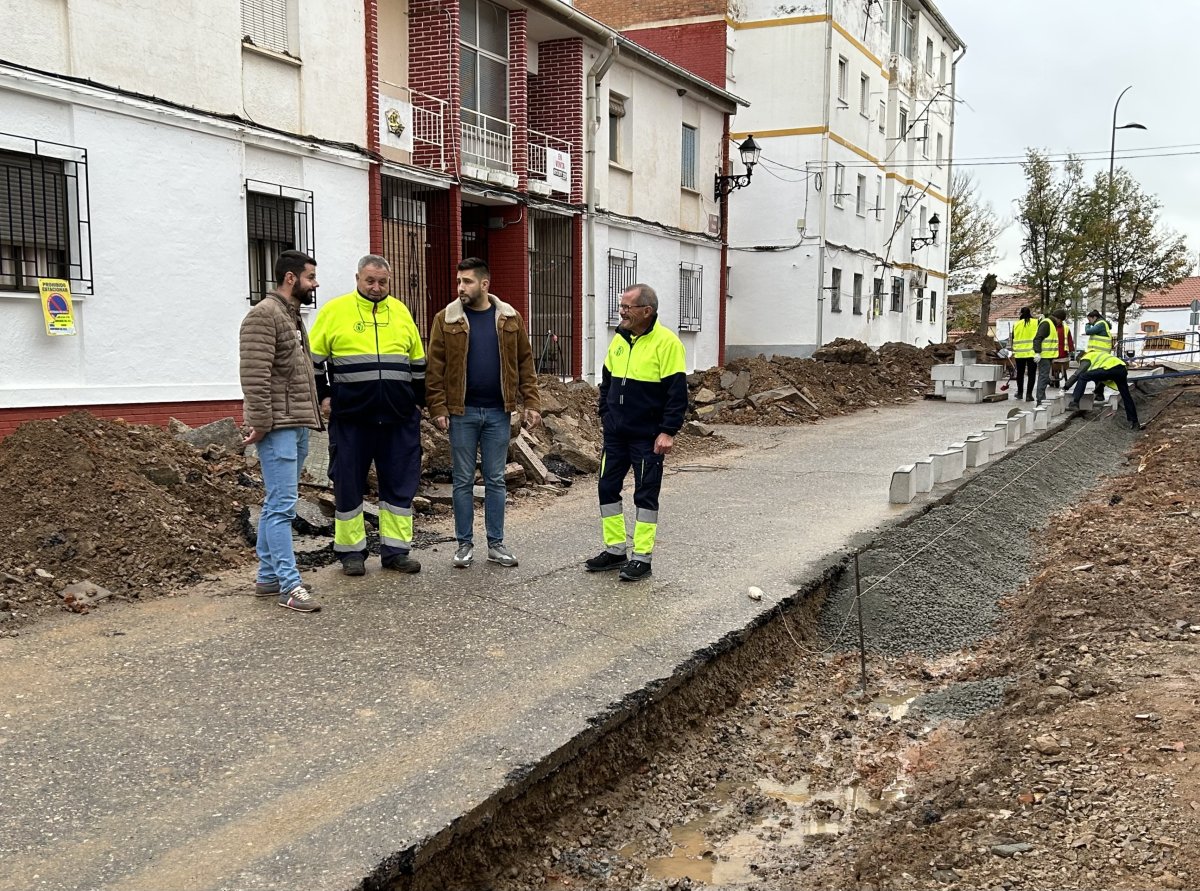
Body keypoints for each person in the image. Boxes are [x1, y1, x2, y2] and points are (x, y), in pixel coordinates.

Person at [310, 255, 426, 577]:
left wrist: (418, 403)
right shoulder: (335, 312)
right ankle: (351, 553)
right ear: (357, 278)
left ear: (390, 281)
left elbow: (418, 365)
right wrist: (324, 396)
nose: (376, 288)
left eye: (383, 282)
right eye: (370, 281)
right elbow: (314, 361)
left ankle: (396, 552)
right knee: (348, 483)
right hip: (351, 418)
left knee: (400, 486)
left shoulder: (401, 313)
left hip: (398, 419)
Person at [426, 257, 542, 569]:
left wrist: (531, 402)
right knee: (462, 480)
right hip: (460, 413)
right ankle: (464, 545)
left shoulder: (509, 318)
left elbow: (525, 365)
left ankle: (496, 544)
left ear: (485, 284)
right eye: (459, 281)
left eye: (467, 282)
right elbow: (434, 369)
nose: (461, 287)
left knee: (496, 480)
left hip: (498, 412)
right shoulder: (446, 319)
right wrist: (437, 407)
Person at [239, 249, 324, 613]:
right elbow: (254, 377)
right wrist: (260, 423)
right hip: (278, 428)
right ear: (291, 278)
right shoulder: (263, 316)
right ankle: (290, 586)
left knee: (277, 504)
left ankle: (268, 577)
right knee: (282, 508)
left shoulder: (290, 316)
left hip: (297, 423)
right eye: (310, 277)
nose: (315, 283)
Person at [585, 283, 687, 582]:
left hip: (647, 437)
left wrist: (668, 431)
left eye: (627, 306)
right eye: (621, 305)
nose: (621, 311)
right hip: (616, 434)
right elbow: (607, 381)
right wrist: (606, 413)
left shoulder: (667, 343)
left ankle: (642, 558)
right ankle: (616, 551)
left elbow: (677, 395)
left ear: (647, 311)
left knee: (645, 496)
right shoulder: (618, 340)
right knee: (606, 488)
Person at [1066, 350, 1141, 429]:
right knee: (1126, 396)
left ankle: (1075, 402)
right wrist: (1097, 390)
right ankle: (1135, 422)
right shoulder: (1098, 355)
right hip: (1122, 369)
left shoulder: (1086, 358)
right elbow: (1100, 378)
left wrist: (1066, 387)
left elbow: (1078, 373)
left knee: (1083, 376)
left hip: (1110, 369)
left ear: (1081, 357)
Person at [1031, 307, 1070, 405]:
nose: (1060, 323)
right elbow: (1037, 338)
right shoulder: (1047, 323)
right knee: (1043, 377)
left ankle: (1041, 398)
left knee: (1044, 377)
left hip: (1047, 357)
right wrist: (1037, 352)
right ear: (1058, 318)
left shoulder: (1050, 324)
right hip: (1043, 356)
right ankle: (1040, 400)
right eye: (1060, 321)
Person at [1009, 307, 1038, 402]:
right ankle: (1029, 395)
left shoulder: (1016, 324)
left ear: (1020, 313)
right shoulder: (1036, 322)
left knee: (1020, 374)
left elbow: (1013, 338)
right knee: (1031, 374)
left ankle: (1020, 393)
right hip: (1032, 353)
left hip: (1019, 353)